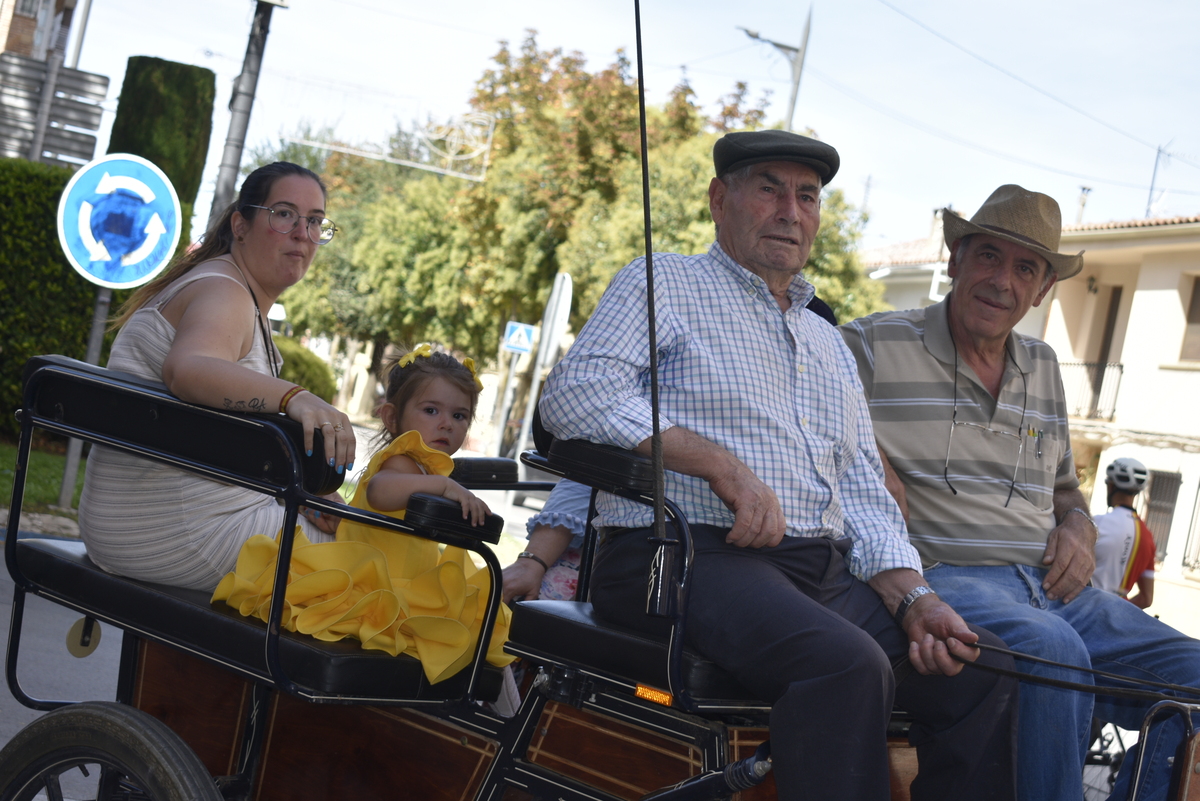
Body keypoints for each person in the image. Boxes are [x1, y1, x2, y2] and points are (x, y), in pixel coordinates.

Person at [539, 129, 1017, 801]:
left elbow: (863, 492)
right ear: (719, 198)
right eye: (769, 188)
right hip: (678, 556)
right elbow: (574, 395)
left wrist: (914, 597)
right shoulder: (666, 281)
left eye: (807, 196)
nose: (790, 211)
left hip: (811, 572)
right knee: (845, 666)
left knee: (979, 662)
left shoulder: (826, 338)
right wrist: (716, 465)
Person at [839, 185, 1200, 801]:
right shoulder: (869, 345)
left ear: (1042, 290)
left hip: (1059, 590)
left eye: (1025, 268)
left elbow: (1066, 490)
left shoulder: (1045, 366)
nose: (1001, 280)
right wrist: (867, 459)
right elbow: (815, 438)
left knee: (1192, 674)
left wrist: (1080, 526)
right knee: (1051, 650)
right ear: (955, 260)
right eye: (987, 256)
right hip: (946, 577)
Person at [79, 162, 355, 591]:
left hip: (144, 522)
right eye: (284, 214)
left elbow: (217, 442)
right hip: (173, 532)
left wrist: (304, 494)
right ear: (240, 225)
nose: (303, 232)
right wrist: (295, 397)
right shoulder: (224, 292)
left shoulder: (227, 287)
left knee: (369, 540)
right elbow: (188, 370)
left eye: (315, 221)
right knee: (380, 561)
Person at [214, 344, 514, 684]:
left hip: (405, 579)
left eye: (459, 416)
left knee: (474, 631)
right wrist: (444, 489)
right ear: (391, 417)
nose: (446, 424)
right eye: (431, 410)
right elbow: (380, 491)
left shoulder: (425, 467)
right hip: (379, 584)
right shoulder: (402, 460)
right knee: (463, 638)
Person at [1093, 457, 1156, 608]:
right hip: (1114, 620)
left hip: (1082, 608)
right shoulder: (1147, 537)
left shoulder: (1096, 523)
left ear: (1111, 486)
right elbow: (1146, 599)